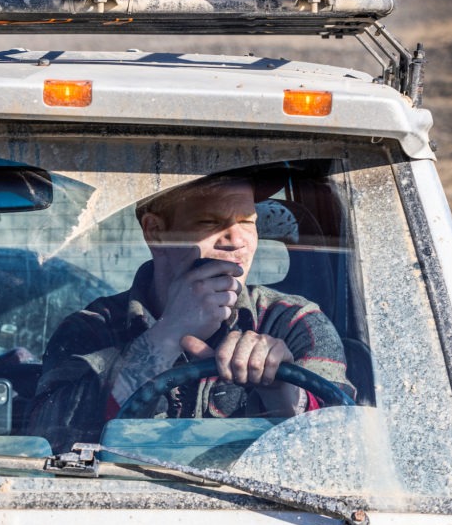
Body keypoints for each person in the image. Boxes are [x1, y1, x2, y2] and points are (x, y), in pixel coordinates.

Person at [30, 174, 354, 452]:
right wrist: (167, 334)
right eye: (211, 223)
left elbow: (345, 448)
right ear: (155, 231)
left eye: (247, 222)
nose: (237, 241)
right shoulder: (93, 329)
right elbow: (49, 440)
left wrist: (286, 394)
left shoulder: (292, 322)